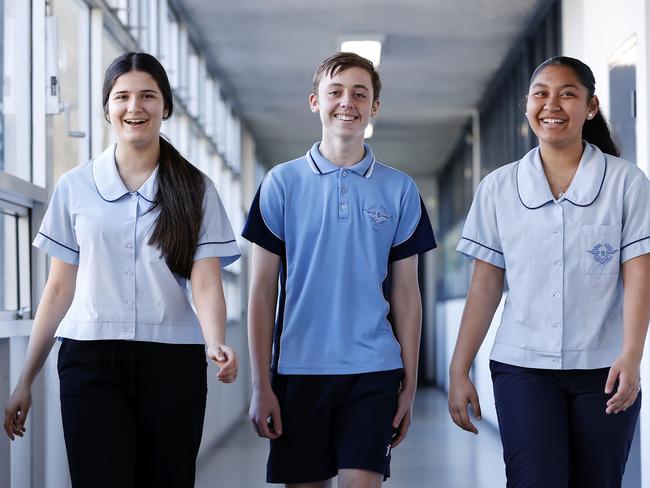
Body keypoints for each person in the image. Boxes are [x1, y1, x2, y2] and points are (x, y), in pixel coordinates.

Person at [3, 52, 241, 487]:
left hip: (172, 361)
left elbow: (205, 279)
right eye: (123, 97)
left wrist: (215, 342)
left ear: (165, 107)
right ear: (107, 107)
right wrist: (25, 380)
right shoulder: (74, 186)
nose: (136, 107)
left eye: (148, 96)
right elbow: (59, 288)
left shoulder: (196, 188)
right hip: (89, 358)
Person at [448, 55, 650, 487]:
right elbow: (485, 284)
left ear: (590, 107)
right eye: (541, 94)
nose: (551, 105)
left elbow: (638, 275)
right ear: (527, 105)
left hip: (605, 366)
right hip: (523, 366)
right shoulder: (498, 187)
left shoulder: (626, 182)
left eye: (567, 94)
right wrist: (459, 368)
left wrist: (632, 355)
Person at [242, 52, 436, 487]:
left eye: (359, 93)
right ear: (315, 101)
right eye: (335, 92)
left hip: (373, 368)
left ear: (374, 107)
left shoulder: (400, 189)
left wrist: (409, 383)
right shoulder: (281, 183)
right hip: (298, 370)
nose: (346, 101)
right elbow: (261, 291)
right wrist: (260, 385)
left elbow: (407, 294)